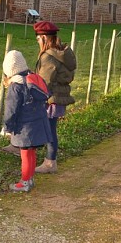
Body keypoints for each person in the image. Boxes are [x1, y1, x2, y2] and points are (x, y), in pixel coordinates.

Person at [2, 50, 53, 192]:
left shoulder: (15, 86)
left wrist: (7, 127)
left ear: (9, 70)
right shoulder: (34, 78)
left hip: (24, 126)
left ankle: (24, 182)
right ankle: (30, 179)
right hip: (38, 122)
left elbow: (11, 109)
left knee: (25, 154)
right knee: (31, 152)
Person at [31, 20, 76, 174]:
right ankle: (48, 159)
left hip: (50, 99)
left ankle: (50, 162)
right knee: (49, 129)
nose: (37, 42)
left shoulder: (48, 57)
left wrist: (34, 94)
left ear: (44, 38)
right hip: (57, 97)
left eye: (38, 39)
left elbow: (44, 82)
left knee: (48, 130)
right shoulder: (61, 53)